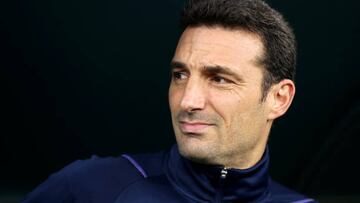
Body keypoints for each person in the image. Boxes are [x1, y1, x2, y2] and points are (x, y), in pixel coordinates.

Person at [22, 0, 317, 202]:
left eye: (219, 79)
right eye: (180, 75)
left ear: (279, 99)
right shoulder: (92, 187)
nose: (187, 100)